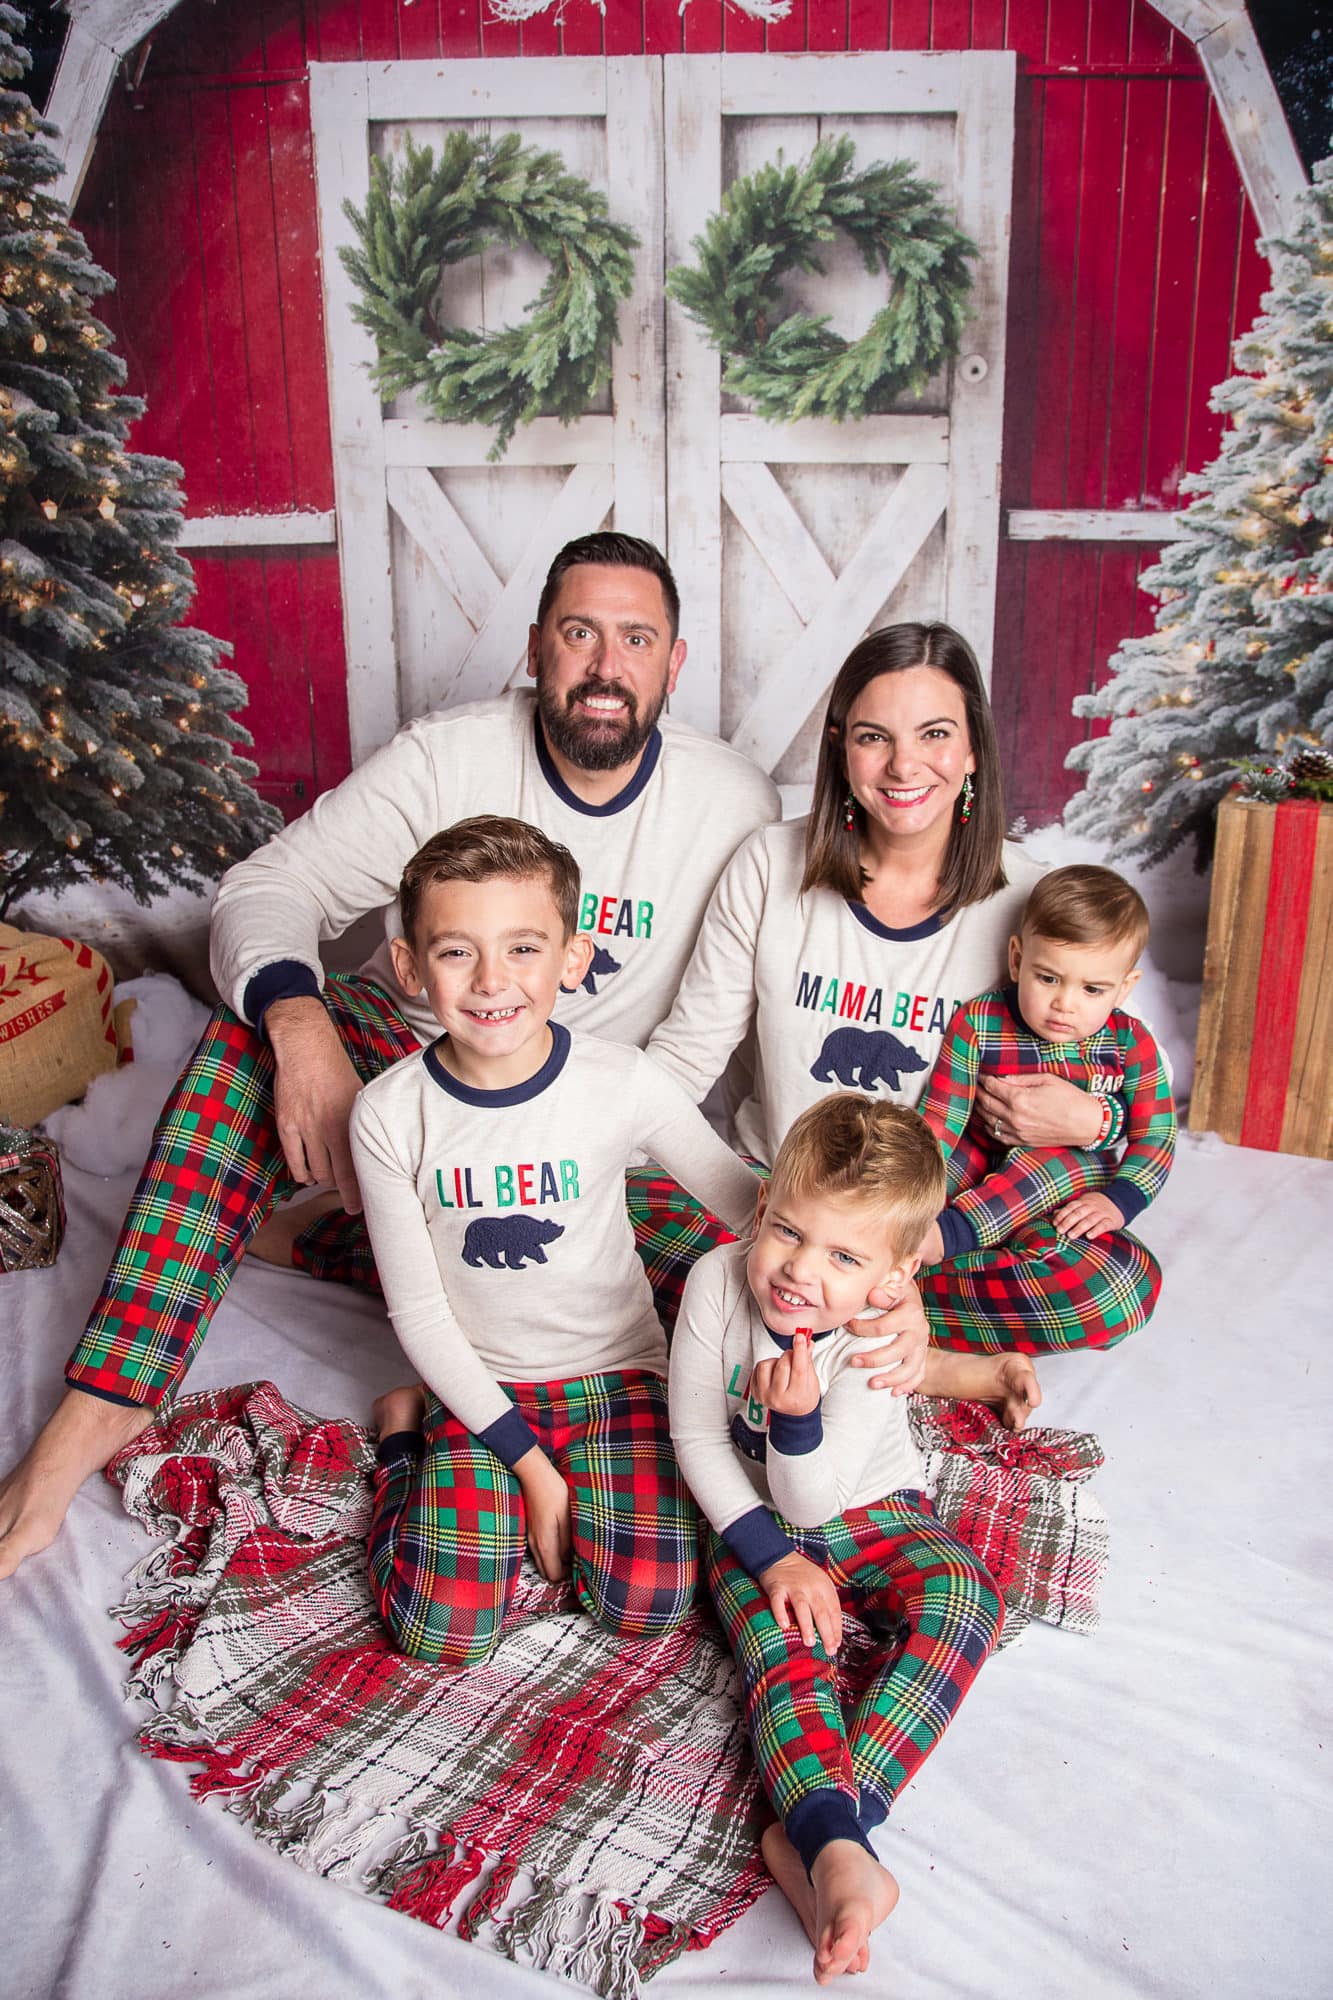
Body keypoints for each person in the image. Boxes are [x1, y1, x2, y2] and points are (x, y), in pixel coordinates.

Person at [8, 532, 914, 1582]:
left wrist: (879, 1269)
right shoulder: (448, 756)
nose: (605, 664)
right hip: (438, 1070)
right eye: (579, 632)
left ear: (674, 663)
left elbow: (704, 1030)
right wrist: (301, 1027)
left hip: (602, 1124)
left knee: (754, 1292)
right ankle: (99, 1409)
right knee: (243, 1049)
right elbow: (263, 890)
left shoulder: (732, 802)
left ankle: (326, 1242)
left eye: (636, 638)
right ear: (537, 648)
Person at [648, 621, 1162, 1368]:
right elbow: (686, 1055)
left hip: (929, 1229)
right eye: (872, 737)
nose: (902, 765)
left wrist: (1097, 1117)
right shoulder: (769, 865)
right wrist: (586, 1143)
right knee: (608, 1213)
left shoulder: (1026, 898)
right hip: (778, 1207)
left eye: (933, 733)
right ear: (838, 745)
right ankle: (927, 1361)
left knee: (1111, 1285)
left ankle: (793, 1324)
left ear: (973, 750)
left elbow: (1117, 1066)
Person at [356, 817, 766, 1665]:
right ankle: (404, 1446)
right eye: (455, 952)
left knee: (650, 1599)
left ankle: (540, 1502)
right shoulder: (392, 1113)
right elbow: (423, 1317)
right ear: (408, 968)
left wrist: (859, 1264)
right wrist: (530, 1466)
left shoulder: (618, 1081)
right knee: (437, 1627)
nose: (491, 981)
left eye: (523, 948)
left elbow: (746, 1203)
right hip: (483, 1385)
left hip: (619, 1371)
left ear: (572, 959)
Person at [669, 1094, 1003, 1986]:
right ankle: (833, 1846)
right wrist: (770, 1558)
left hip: (867, 1500)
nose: (797, 1271)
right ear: (765, 1202)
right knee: (788, 1644)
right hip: (748, 1516)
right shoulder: (714, 1282)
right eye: (786, 1230)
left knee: (966, 1599)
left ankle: (829, 1833)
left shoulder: (873, 1338)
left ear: (892, 1284)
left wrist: (803, 1421)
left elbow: (816, 1499)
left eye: (843, 1256)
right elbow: (699, 1440)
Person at [918, 864, 1176, 1292]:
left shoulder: (1131, 1042)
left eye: (1092, 990)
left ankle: (949, 1240)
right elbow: (941, 1121)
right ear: (1017, 960)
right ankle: (924, 1265)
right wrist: (907, 1192)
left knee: (1052, 1162)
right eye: (1048, 978)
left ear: (1124, 988)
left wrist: (1120, 1199)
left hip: (1064, 1189)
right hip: (980, 1167)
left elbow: (1158, 1135)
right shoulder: (980, 1023)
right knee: (939, 1170)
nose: (1065, 1004)